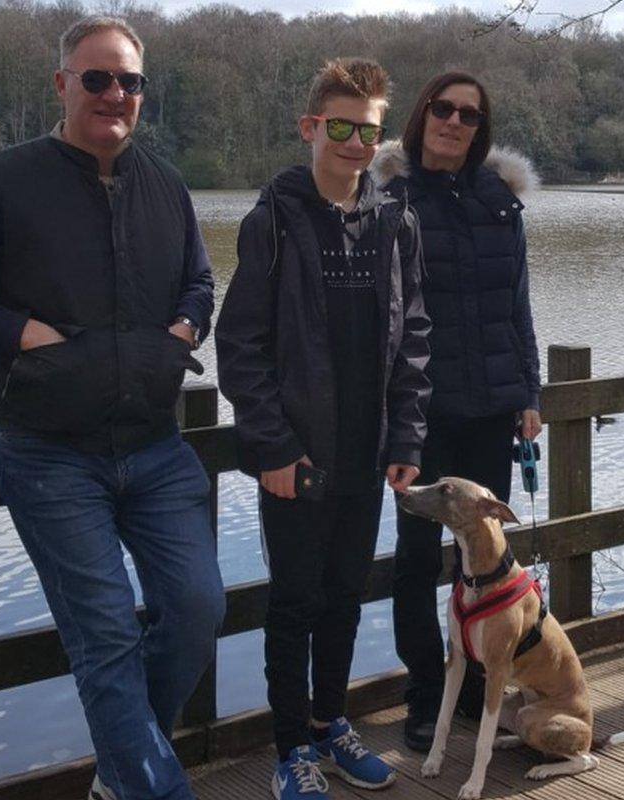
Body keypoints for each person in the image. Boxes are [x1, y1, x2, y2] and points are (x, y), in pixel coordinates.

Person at [0, 16, 225, 800]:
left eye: (129, 81)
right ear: (62, 85)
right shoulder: (7, 181)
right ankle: (153, 787)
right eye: (97, 78)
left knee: (196, 609)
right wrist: (22, 332)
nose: (114, 94)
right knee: (108, 634)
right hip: (48, 451)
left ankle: (123, 777)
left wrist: (186, 325)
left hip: (154, 445)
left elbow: (197, 279)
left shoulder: (165, 182)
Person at [216, 58, 431, 800]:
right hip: (296, 458)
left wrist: (405, 440)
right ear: (310, 128)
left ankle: (331, 726)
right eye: (339, 127)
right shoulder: (272, 220)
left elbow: (414, 340)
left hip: (365, 454)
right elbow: (240, 346)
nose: (354, 144)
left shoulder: (396, 221)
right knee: (294, 603)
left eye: (368, 131)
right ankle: (289, 752)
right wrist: (272, 446)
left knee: (344, 596)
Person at [369, 71, 542, 752]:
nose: (454, 121)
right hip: (419, 415)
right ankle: (423, 696)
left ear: (481, 128)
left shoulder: (499, 201)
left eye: (469, 114)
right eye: (443, 108)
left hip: (490, 411)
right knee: (416, 559)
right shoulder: (388, 198)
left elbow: (516, 305)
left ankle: (473, 690)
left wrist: (529, 390)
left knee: (484, 558)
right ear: (422, 115)